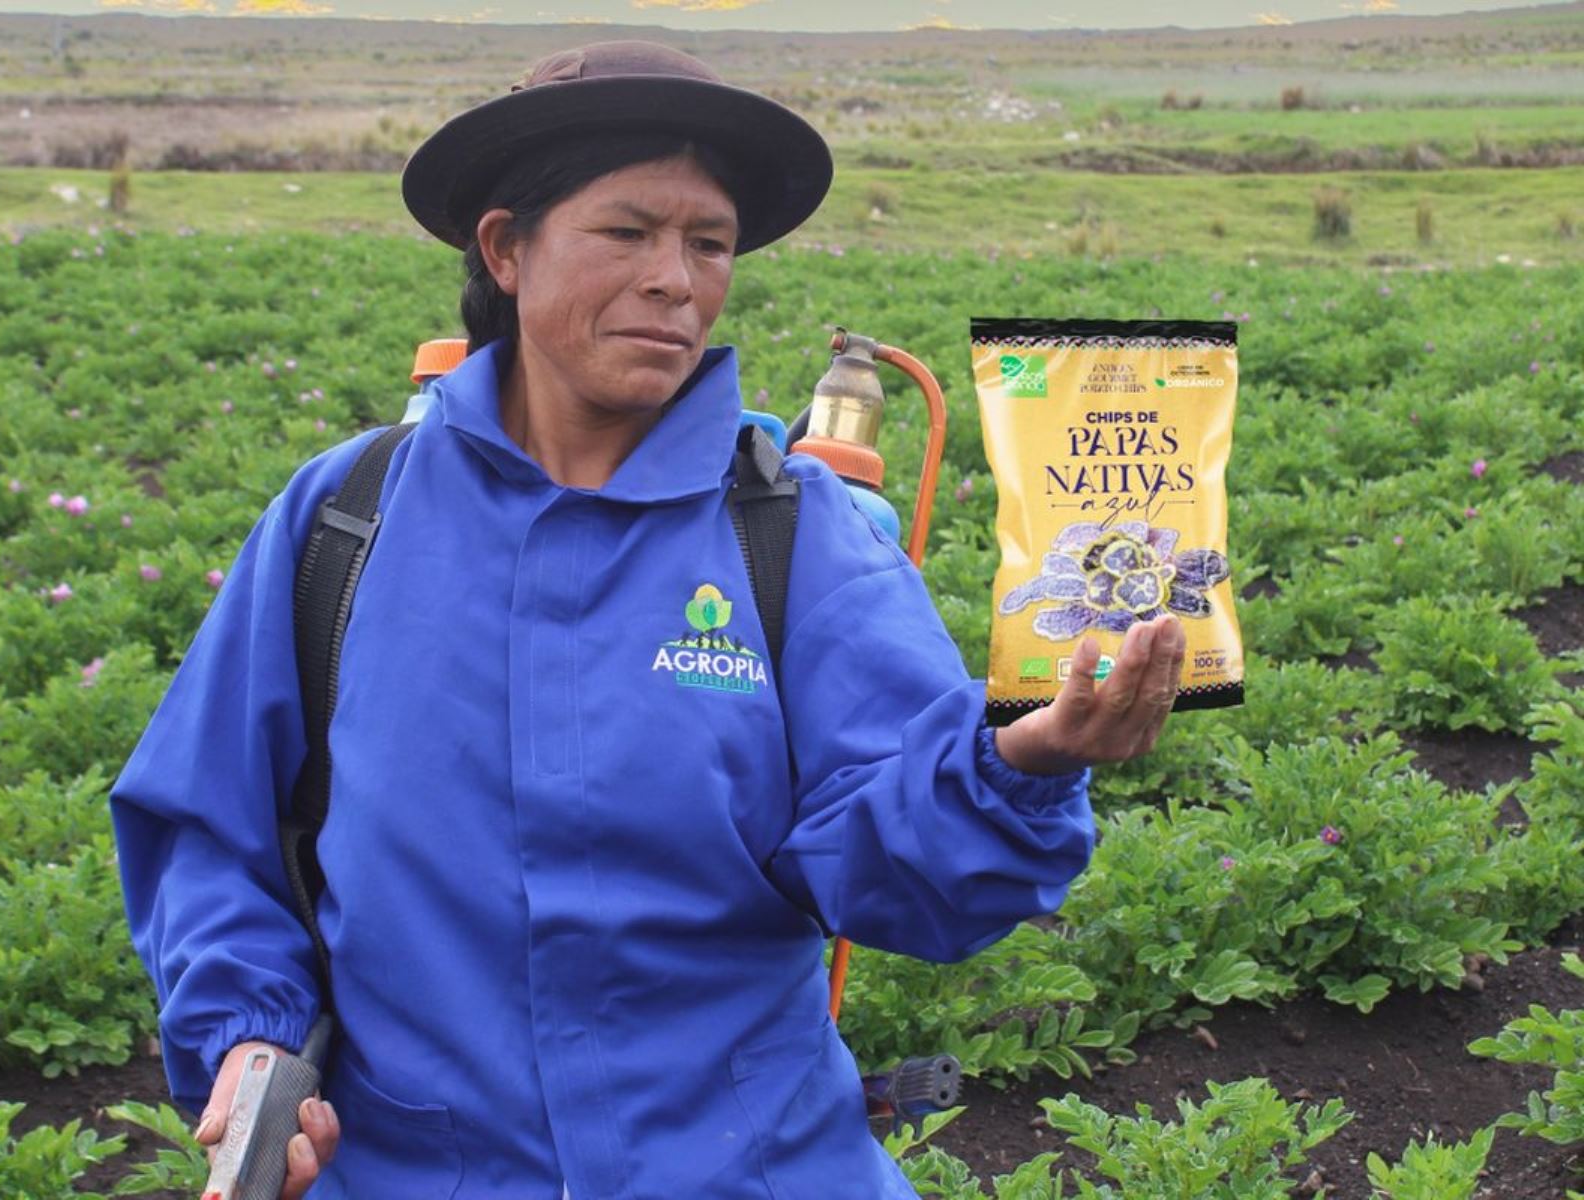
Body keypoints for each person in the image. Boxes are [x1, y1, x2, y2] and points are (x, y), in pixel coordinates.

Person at [108, 39, 1187, 1200]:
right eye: (627, 232)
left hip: (755, 1173)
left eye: (708, 242)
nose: (676, 278)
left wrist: (1019, 765)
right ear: (506, 249)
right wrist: (251, 1038)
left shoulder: (798, 533)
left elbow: (889, 865)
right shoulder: (346, 519)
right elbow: (207, 825)